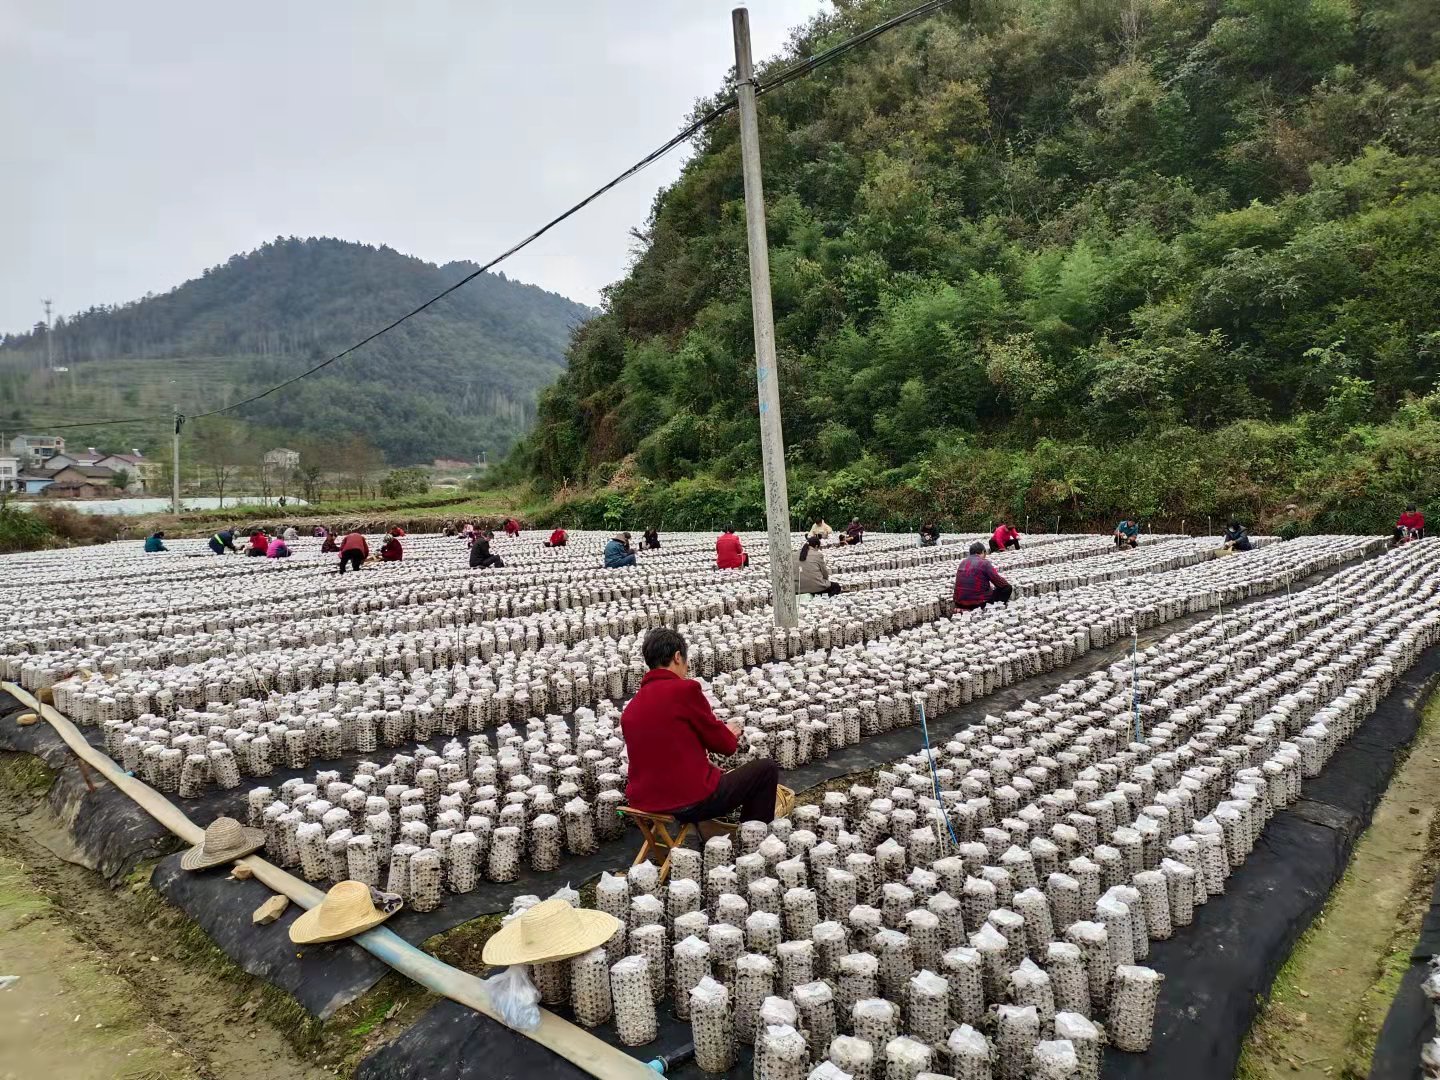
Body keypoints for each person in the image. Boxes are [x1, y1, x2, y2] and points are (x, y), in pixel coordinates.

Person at [621, 628, 780, 825]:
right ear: (678, 657)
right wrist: (730, 732)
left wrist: (702, 764)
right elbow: (725, 746)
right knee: (766, 770)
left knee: (716, 775)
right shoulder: (685, 690)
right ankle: (752, 843)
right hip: (688, 801)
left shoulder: (632, 706)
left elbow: (663, 751)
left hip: (643, 802)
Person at [953, 541, 1013, 610]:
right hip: (978, 603)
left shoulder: (962, 562)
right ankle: (993, 608)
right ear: (983, 552)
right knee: (1007, 588)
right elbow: (1000, 582)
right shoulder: (984, 563)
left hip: (959, 602)